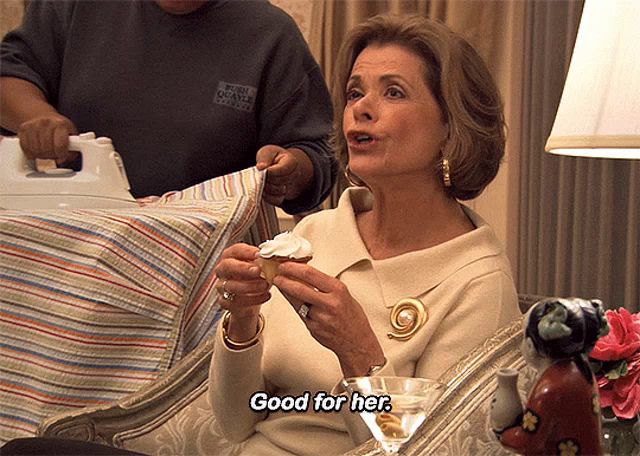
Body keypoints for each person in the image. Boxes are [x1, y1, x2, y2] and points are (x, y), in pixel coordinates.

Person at [209, 13, 521, 455]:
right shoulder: (314, 233)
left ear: (451, 127)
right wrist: (241, 321)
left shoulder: (478, 282)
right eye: (355, 92)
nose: (361, 108)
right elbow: (235, 422)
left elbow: (425, 450)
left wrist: (359, 354)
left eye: (394, 92)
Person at [0, 0, 336, 213]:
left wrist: (291, 170)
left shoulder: (270, 35)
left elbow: (318, 154)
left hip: (213, 272)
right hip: (75, 249)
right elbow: (11, 72)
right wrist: (38, 116)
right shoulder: (72, 7)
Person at [494, 297, 608, 455]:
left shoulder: (550, 388)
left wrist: (503, 433)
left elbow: (528, 442)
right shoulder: (581, 370)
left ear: (530, 346)